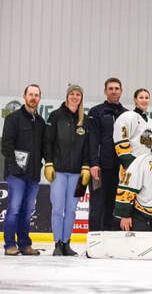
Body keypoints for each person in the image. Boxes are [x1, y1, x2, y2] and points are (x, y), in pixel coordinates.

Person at [44, 84, 90, 256]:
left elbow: (88, 147)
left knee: (71, 210)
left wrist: (86, 166)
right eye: (72, 94)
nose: (75, 97)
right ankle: (57, 243)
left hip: (78, 173)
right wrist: (48, 162)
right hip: (59, 171)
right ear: (67, 96)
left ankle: (66, 243)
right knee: (57, 208)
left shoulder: (84, 120)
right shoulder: (56, 116)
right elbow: (48, 142)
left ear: (81, 98)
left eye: (78, 94)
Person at [1, 84, 46, 255]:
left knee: (27, 211)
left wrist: (42, 165)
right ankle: (9, 245)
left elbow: (43, 148)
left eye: (36, 95)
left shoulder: (41, 122)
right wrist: (14, 167)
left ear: (39, 98)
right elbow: (6, 145)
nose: (33, 97)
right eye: (30, 94)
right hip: (16, 174)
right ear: (24, 96)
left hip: (33, 174)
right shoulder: (13, 118)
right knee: (14, 209)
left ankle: (25, 244)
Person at [87, 78, 127, 231]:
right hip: (101, 168)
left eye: (117, 88)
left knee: (116, 204)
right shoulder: (96, 112)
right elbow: (92, 139)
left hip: (120, 169)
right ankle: (95, 242)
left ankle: (113, 241)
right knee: (98, 204)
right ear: (105, 91)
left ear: (121, 91)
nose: (114, 91)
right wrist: (94, 163)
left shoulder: (127, 114)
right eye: (110, 88)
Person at [113, 88, 152, 173]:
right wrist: (131, 164)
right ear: (135, 100)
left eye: (146, 98)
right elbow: (121, 145)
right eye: (141, 97)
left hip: (147, 168)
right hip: (131, 167)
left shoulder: (151, 122)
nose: (144, 100)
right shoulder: (127, 117)